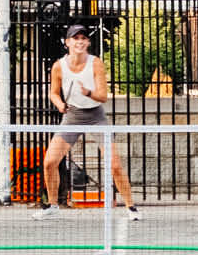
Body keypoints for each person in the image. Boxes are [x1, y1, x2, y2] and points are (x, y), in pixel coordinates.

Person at [34, 25, 138, 221]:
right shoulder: (59, 66)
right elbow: (53, 93)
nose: (80, 41)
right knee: (49, 162)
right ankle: (53, 205)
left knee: (115, 164)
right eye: (76, 38)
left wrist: (88, 92)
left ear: (88, 43)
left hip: (96, 116)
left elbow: (103, 97)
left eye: (83, 38)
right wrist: (60, 105)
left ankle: (131, 207)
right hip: (72, 115)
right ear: (67, 43)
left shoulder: (95, 63)